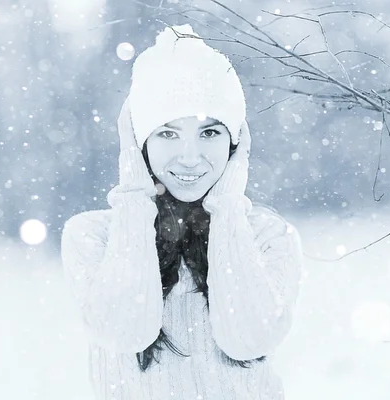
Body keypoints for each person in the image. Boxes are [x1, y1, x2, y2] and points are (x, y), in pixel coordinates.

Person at [60, 24, 303, 400]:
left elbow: (248, 339)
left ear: (236, 143)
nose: (190, 158)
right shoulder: (94, 236)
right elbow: (126, 332)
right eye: (167, 134)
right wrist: (134, 194)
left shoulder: (266, 236)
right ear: (138, 142)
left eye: (209, 133)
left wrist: (226, 206)